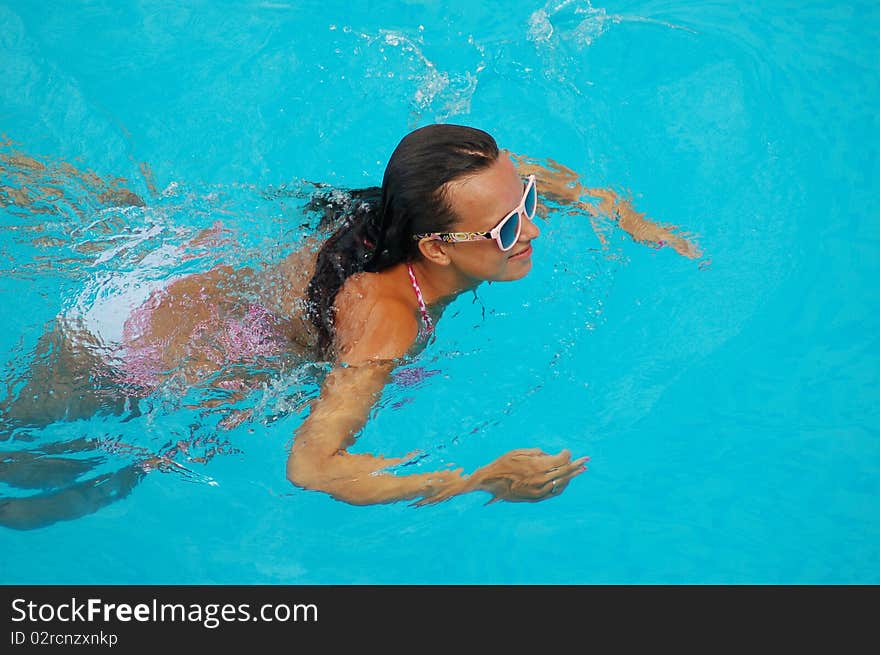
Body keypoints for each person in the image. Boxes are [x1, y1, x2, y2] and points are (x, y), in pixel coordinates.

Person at [0, 124, 702, 528]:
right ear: (435, 247)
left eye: (523, 198)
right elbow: (309, 464)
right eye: (511, 223)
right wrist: (478, 479)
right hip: (128, 347)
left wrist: (623, 213)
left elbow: (533, 179)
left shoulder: (433, 200)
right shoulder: (386, 323)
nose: (533, 225)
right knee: (28, 484)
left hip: (196, 259)